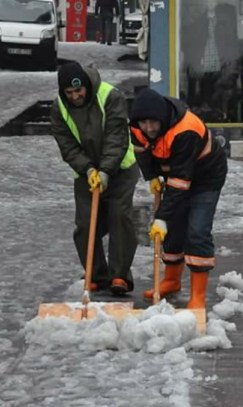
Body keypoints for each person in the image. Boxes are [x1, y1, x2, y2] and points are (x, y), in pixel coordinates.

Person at [129, 88, 227, 309]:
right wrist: (152, 176)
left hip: (205, 178)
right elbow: (141, 152)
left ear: (162, 117)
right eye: (143, 123)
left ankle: (198, 295)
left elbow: (180, 182)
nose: (149, 128)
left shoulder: (186, 130)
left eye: (153, 122)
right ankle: (171, 282)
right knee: (173, 229)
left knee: (197, 230)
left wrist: (161, 217)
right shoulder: (136, 128)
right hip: (175, 174)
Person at [50, 61, 139, 295]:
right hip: (86, 172)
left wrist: (106, 171)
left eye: (78, 91)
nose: (75, 96)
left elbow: (116, 137)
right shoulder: (59, 107)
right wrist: (88, 170)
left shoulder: (110, 96)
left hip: (120, 168)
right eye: (69, 93)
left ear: (86, 86)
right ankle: (96, 274)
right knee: (85, 224)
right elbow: (67, 145)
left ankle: (119, 276)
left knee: (119, 217)